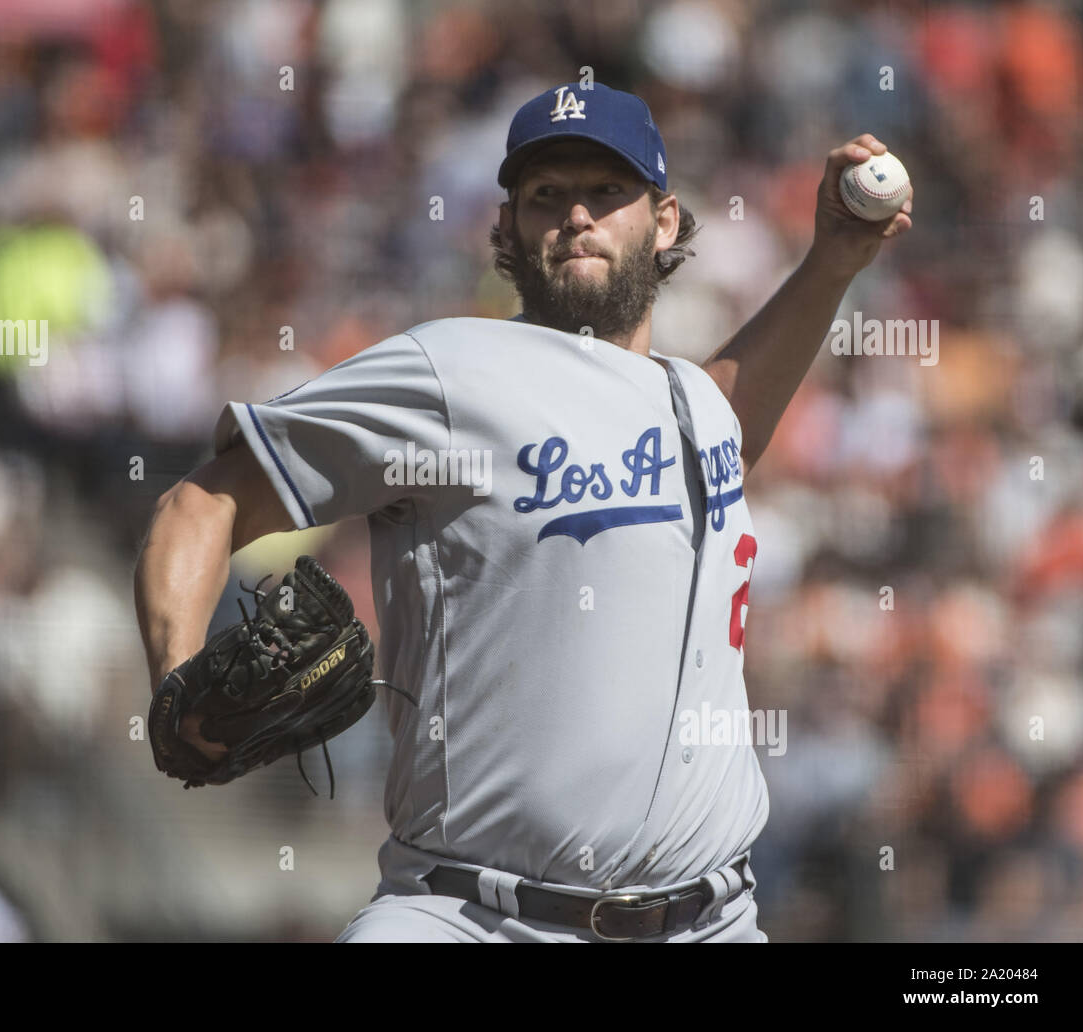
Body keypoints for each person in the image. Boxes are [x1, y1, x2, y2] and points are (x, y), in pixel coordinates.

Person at [133, 82, 912, 942]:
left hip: (712, 921)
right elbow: (202, 500)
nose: (576, 214)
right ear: (507, 230)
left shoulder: (693, 404)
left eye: (606, 192)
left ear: (662, 222)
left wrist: (831, 264)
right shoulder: (450, 371)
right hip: (471, 915)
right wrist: (176, 681)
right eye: (546, 195)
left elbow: (728, 418)